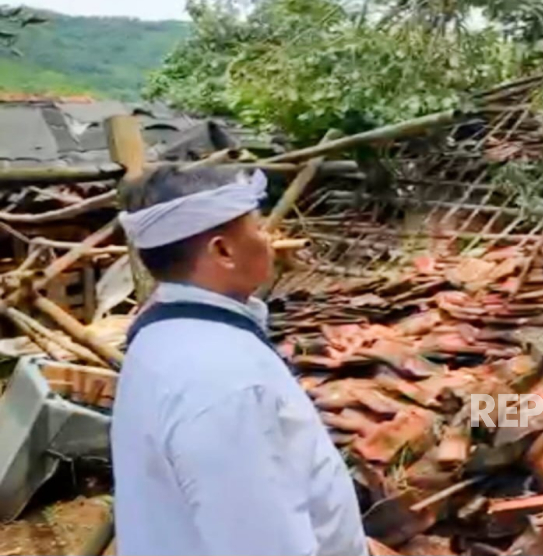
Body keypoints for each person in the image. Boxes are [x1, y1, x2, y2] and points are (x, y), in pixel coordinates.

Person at [111, 166, 368, 556]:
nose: (270, 239)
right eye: (258, 228)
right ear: (223, 251)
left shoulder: (163, 337)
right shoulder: (228, 382)